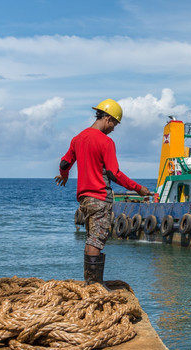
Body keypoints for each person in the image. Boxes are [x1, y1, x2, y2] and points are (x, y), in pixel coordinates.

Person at [55, 98, 151, 288]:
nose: (114, 128)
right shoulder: (106, 142)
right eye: (114, 123)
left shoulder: (78, 138)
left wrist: (64, 176)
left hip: (84, 199)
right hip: (100, 197)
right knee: (97, 239)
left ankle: (91, 282)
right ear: (107, 118)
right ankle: (94, 285)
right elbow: (113, 173)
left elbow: (65, 162)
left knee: (91, 237)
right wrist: (138, 188)